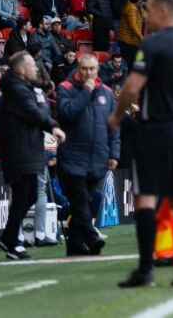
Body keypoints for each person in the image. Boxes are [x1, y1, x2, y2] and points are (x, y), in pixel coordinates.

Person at [112, 0, 173, 288]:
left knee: (147, 196)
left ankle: (146, 270)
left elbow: (132, 86)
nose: (145, 15)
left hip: (155, 129)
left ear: (163, 10)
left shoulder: (151, 45)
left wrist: (116, 116)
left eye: (148, 10)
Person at [0, 51, 65, 260]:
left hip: (26, 146)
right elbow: (34, 112)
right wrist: (53, 127)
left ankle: (10, 237)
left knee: (29, 193)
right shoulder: (16, 90)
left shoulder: (21, 89)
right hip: (19, 148)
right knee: (26, 192)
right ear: (22, 69)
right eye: (32, 65)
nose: (35, 68)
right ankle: (11, 238)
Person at [55, 53, 119, 256]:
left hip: (98, 157)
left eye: (92, 69)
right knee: (80, 201)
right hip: (73, 157)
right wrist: (86, 91)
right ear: (78, 68)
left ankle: (74, 244)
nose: (88, 73)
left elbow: (114, 128)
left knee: (92, 201)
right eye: (84, 69)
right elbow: (67, 114)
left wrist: (114, 154)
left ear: (98, 69)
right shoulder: (65, 89)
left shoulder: (107, 93)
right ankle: (92, 237)